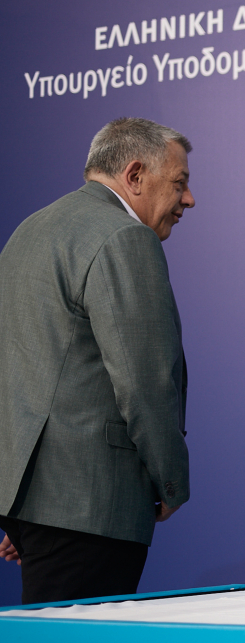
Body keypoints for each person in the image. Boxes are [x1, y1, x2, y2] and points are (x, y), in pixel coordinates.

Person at [0, 117, 194, 603]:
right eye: (179, 183)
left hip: (33, 500)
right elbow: (145, 382)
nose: (189, 199)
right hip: (92, 502)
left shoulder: (30, 229)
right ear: (135, 175)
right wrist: (171, 481)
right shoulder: (125, 237)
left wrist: (30, 510)